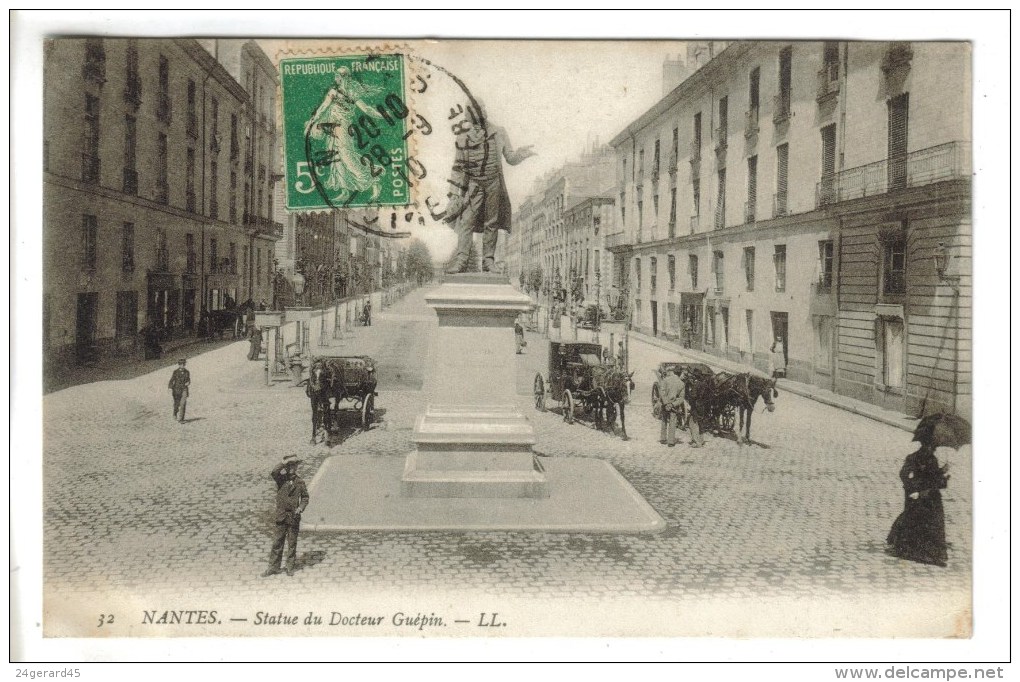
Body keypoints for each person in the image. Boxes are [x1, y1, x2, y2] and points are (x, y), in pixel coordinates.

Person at [435, 103, 536, 274]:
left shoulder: (499, 132)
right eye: (471, 115)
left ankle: (488, 260)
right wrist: (454, 194)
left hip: (493, 183)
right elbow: (458, 168)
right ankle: (461, 260)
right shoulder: (462, 138)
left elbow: (510, 158)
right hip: (473, 184)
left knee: (492, 222)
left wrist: (521, 154)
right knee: (466, 221)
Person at [886, 444, 950, 567]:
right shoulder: (921, 458)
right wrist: (913, 490)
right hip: (925, 496)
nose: (932, 449)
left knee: (923, 520)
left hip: (926, 495)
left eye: (932, 447)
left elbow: (930, 477)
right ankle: (922, 551)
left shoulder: (923, 458)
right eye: (931, 447)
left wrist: (942, 472)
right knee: (923, 521)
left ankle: (920, 550)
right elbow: (905, 475)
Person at [262, 454, 310, 577]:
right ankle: (273, 567)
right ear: (286, 467)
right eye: (289, 466)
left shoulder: (300, 482)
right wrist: (283, 462)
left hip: (293, 517)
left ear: (297, 467)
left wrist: (301, 508)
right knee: (277, 542)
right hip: (281, 516)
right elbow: (274, 471)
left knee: (292, 543)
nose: (291, 468)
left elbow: (305, 497)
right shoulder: (280, 479)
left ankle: (290, 567)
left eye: (293, 465)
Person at [657, 367, 686, 447]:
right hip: (674, 406)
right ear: (680, 374)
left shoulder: (666, 380)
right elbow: (681, 398)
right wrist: (672, 404)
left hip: (665, 405)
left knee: (664, 420)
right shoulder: (681, 383)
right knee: (673, 422)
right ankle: (671, 441)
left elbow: (662, 392)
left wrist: (666, 403)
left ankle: (663, 438)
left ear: (673, 372)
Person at [167, 358, 190, 423]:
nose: (182, 365)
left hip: (184, 389)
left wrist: (188, 382)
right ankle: (174, 413)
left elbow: (188, 379)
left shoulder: (187, 372)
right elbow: (172, 380)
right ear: (179, 365)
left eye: (183, 364)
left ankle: (181, 419)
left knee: (183, 403)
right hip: (176, 390)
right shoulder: (175, 372)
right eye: (181, 364)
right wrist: (170, 387)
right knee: (176, 404)